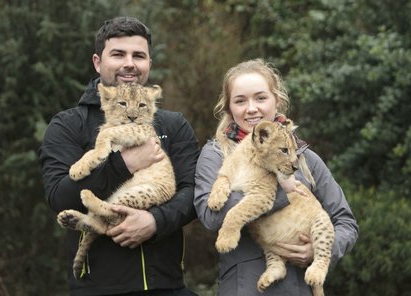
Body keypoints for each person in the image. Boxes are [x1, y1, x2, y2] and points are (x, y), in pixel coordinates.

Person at [38, 16, 200, 296]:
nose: (129, 63)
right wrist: (124, 164)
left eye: (139, 55)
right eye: (118, 54)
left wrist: (155, 222)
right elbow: (59, 197)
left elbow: (195, 193)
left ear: (149, 63)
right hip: (97, 288)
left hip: (167, 284)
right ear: (98, 62)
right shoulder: (68, 125)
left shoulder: (173, 125)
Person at [194, 59, 359, 295]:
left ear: (276, 101)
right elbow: (210, 216)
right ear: (229, 108)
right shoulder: (215, 153)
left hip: (299, 287)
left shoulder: (304, 158)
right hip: (245, 288)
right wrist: (282, 192)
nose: (252, 108)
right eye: (240, 101)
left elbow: (346, 222)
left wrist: (320, 251)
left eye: (261, 98)